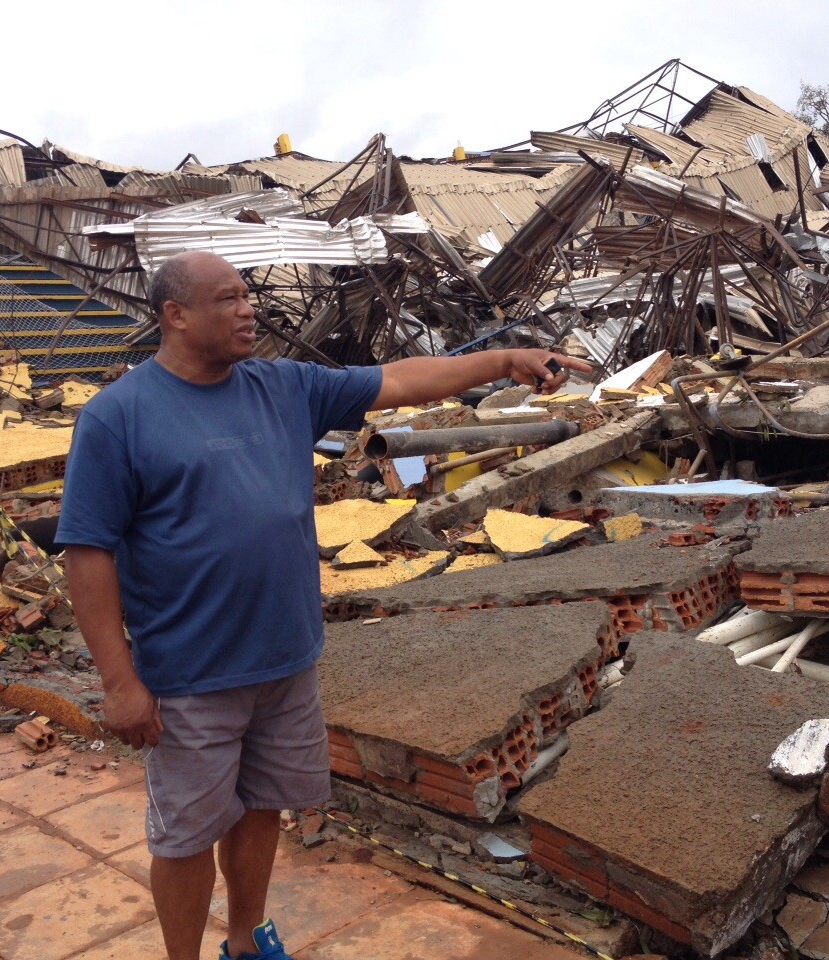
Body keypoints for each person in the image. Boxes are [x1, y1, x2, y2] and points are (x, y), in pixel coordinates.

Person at [58, 251, 589, 960]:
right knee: (185, 834)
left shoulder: (283, 387)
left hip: (285, 659)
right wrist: (121, 683)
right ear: (175, 316)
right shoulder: (117, 417)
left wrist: (501, 361)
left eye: (248, 295)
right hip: (189, 674)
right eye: (227, 299)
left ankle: (246, 940)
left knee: (260, 807)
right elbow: (87, 553)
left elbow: (398, 379)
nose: (249, 310)